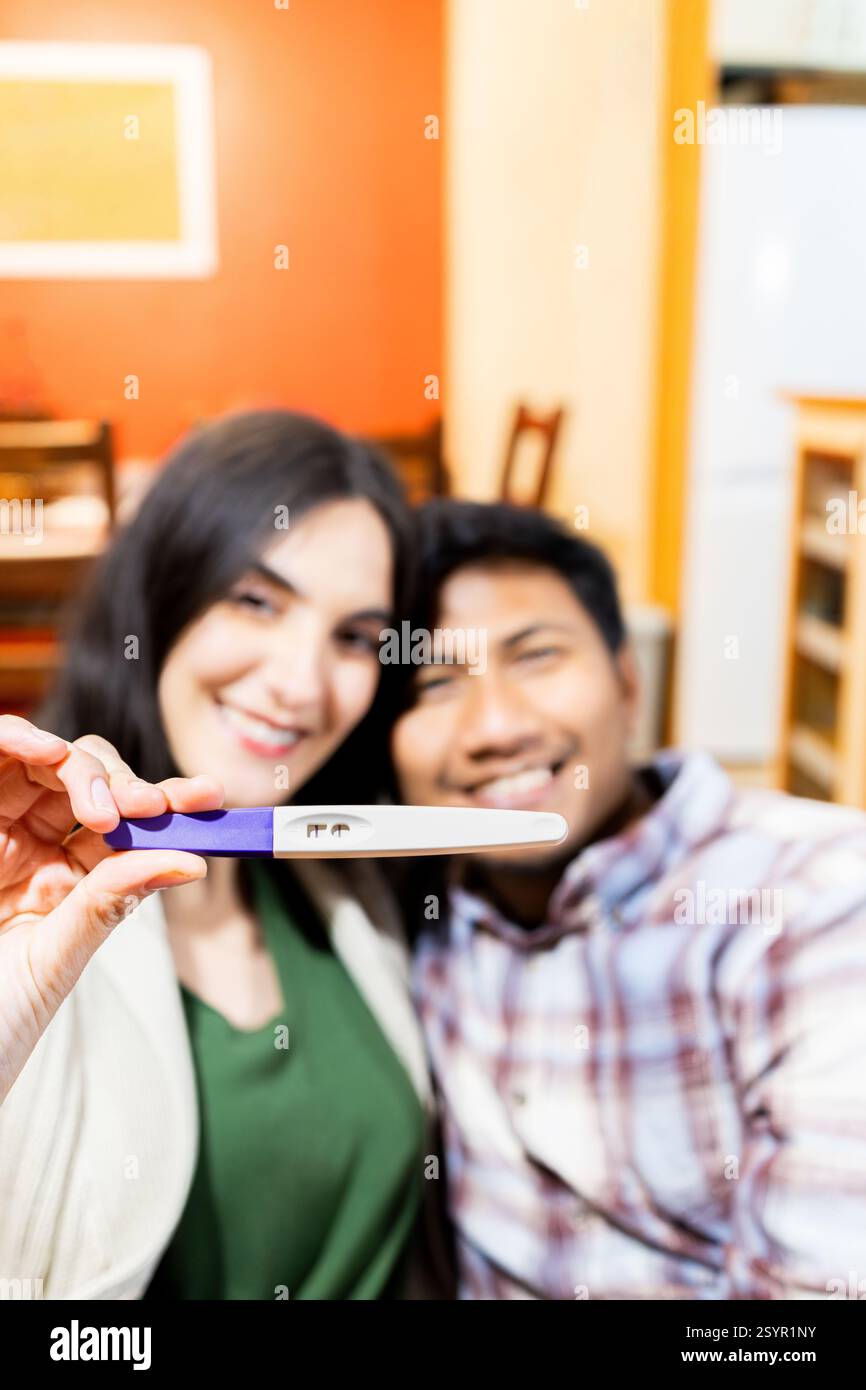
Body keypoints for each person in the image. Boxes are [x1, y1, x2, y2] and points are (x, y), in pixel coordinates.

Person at [0, 411, 435, 1301]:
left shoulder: (352, 893)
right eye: (257, 601)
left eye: (354, 637)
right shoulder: (28, 907)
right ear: (160, 596)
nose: (302, 683)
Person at [390, 498, 866, 1300]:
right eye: (435, 682)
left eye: (536, 655)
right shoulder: (415, 904)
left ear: (626, 679)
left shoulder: (813, 907)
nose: (495, 725)